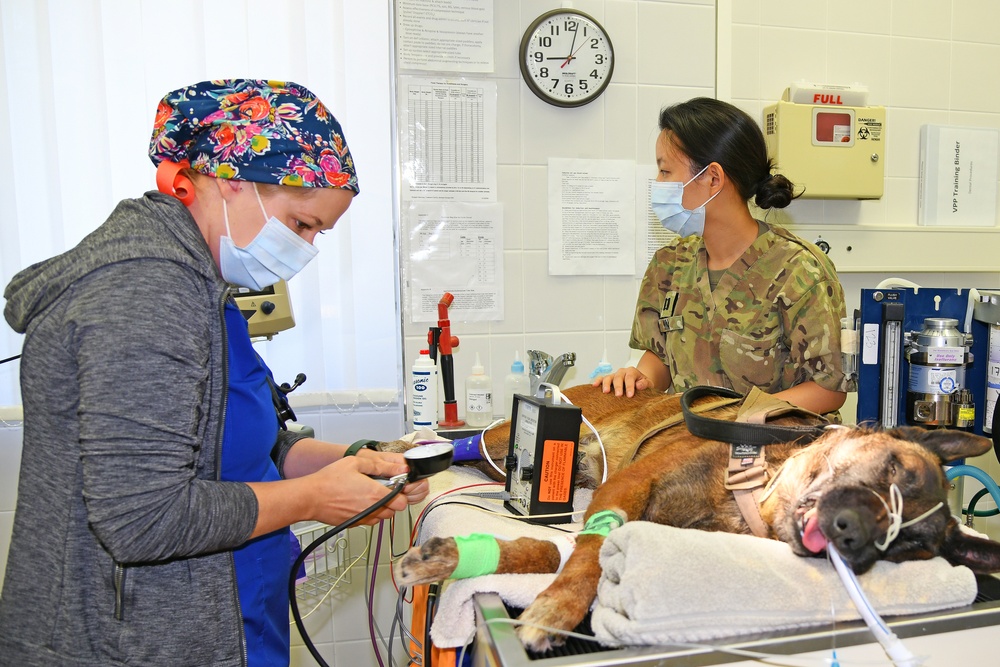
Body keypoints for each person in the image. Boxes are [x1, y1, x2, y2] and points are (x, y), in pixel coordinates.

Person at [0, 79, 428, 666]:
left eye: (317, 234)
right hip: (129, 643)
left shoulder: (205, 288)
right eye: (301, 224)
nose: (304, 249)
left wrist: (348, 463)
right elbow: (142, 519)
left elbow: (238, 447)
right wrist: (310, 499)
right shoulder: (146, 291)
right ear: (231, 180)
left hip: (224, 615)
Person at [595, 97, 852, 415]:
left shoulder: (798, 270)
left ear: (712, 179)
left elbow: (829, 388)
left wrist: (737, 417)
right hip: (690, 445)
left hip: (778, 451)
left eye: (665, 171)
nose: (658, 184)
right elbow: (660, 355)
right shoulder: (669, 264)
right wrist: (639, 378)